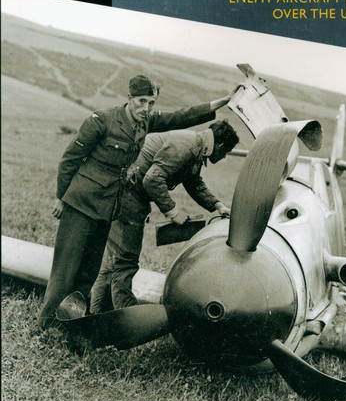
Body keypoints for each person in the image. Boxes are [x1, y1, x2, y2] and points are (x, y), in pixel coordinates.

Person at [38, 74, 232, 328]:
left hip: (108, 207)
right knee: (66, 269)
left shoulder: (145, 122)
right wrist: (61, 197)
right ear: (130, 98)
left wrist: (220, 102)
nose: (146, 108)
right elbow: (70, 159)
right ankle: (47, 324)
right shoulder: (102, 120)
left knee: (89, 271)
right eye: (141, 101)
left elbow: (180, 117)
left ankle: (70, 321)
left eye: (151, 103)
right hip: (81, 203)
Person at [89, 119, 239, 313]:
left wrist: (217, 205)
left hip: (124, 192)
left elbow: (193, 181)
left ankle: (97, 311)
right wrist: (173, 212)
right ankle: (124, 313)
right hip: (127, 195)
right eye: (226, 152)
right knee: (125, 260)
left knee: (114, 259)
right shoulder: (188, 146)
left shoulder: (196, 145)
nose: (224, 156)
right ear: (220, 145)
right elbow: (152, 179)